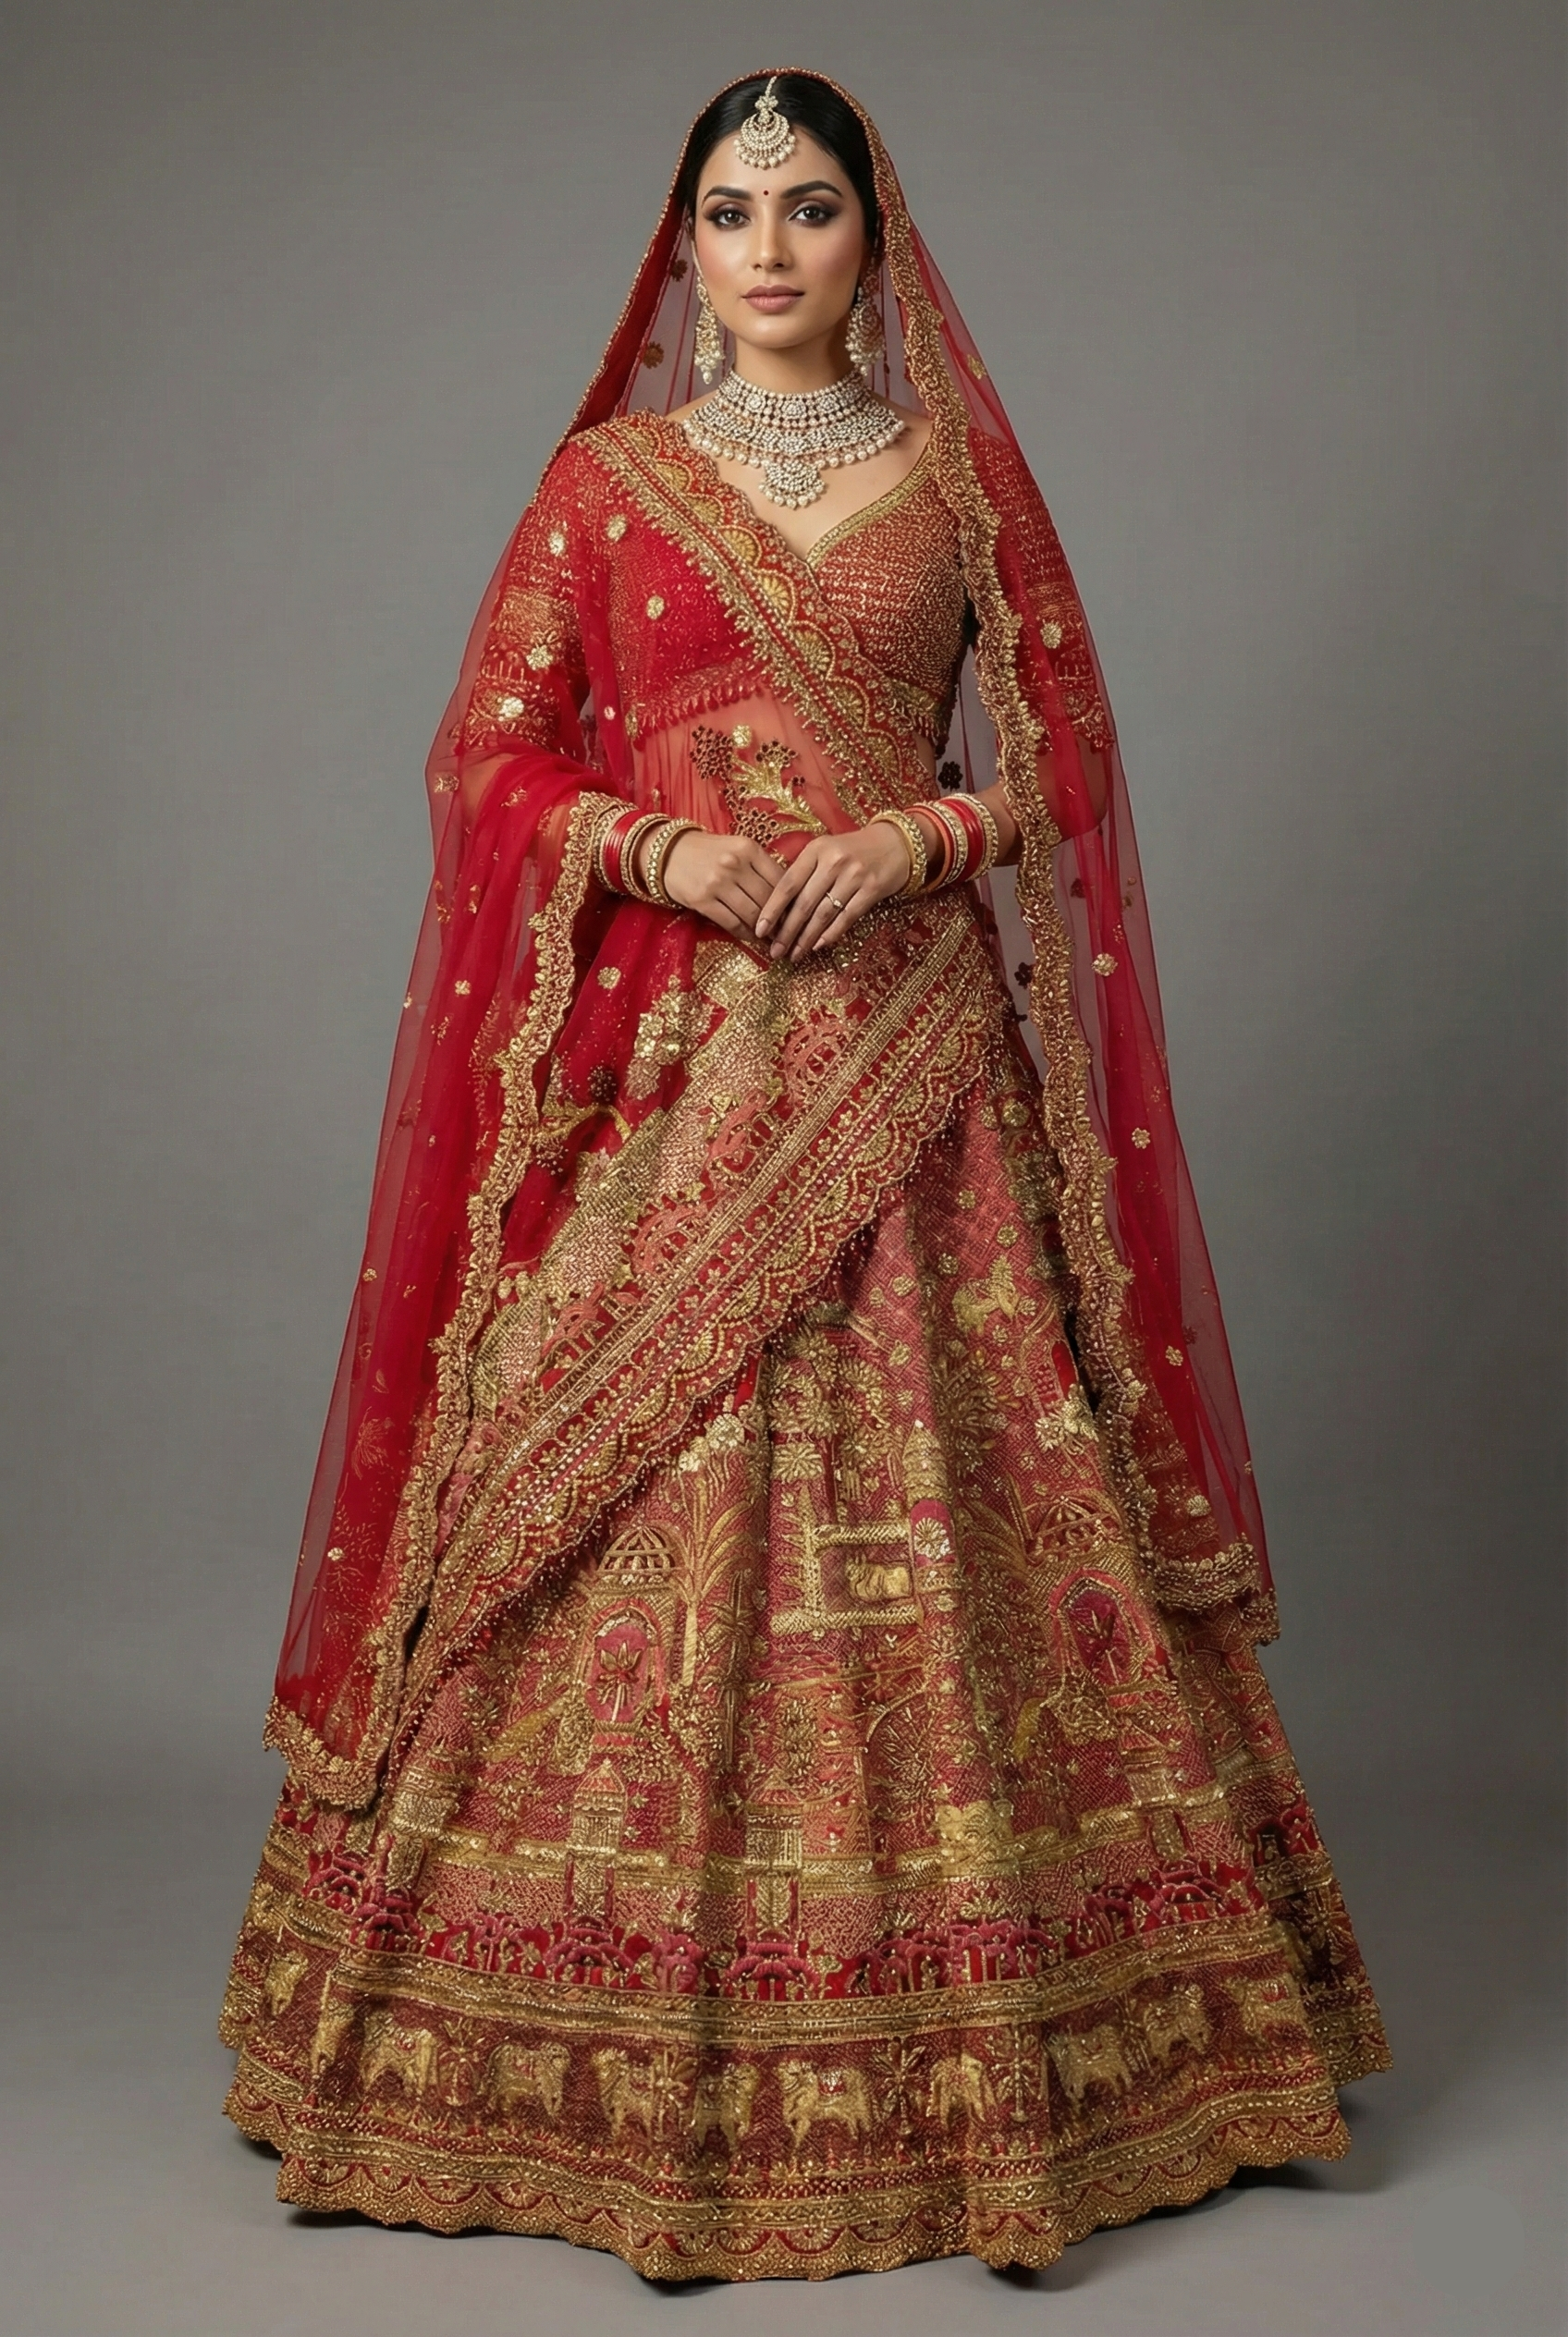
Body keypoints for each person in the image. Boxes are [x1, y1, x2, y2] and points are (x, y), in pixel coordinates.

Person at [221, 70, 1389, 2280]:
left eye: (809, 208)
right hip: (674, 1068)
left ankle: (1024, 2049)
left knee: (974, 1493)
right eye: (728, 213)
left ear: (875, 237)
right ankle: (534, 2050)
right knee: (593, 1497)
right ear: (682, 245)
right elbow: (486, 752)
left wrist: (917, 836)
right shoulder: (608, 484)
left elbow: (1060, 753)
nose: (765, 251)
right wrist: (657, 849)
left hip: (914, 1061)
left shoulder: (948, 478)